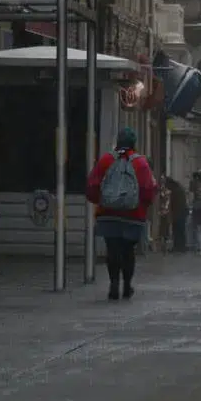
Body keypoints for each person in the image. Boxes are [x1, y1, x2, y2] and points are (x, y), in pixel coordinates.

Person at [86, 127, 157, 300]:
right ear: (134, 143)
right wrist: (143, 206)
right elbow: (149, 190)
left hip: (108, 214)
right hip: (133, 215)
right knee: (128, 251)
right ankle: (127, 285)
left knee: (112, 249)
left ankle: (113, 283)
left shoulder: (105, 160)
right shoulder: (141, 163)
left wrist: (101, 201)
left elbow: (92, 187)